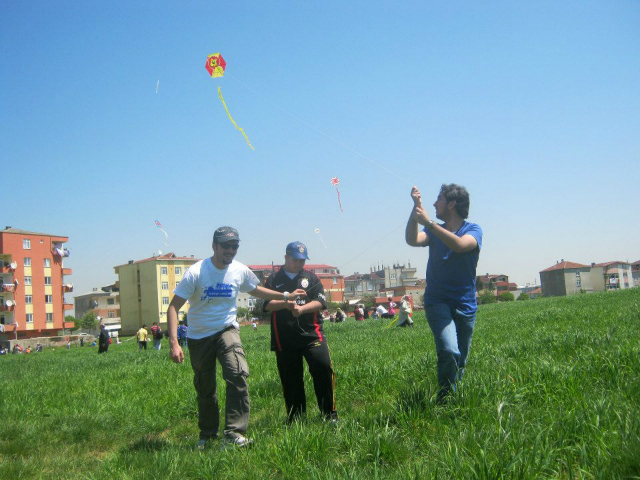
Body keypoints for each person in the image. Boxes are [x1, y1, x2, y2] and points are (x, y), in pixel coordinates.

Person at [167, 226, 307, 450]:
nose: (231, 250)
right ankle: (207, 435)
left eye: (235, 246)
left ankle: (234, 434)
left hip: (226, 329)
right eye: (226, 245)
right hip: (199, 335)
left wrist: (285, 295)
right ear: (214, 246)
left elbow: (256, 290)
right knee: (206, 388)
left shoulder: (239, 270)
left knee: (237, 375)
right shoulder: (196, 272)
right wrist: (174, 343)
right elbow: (173, 308)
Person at [406, 184, 482, 403]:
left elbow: (459, 245)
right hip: (437, 301)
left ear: (452, 203)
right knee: (449, 350)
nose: (434, 203)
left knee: (461, 359)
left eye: (438, 198)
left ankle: (453, 402)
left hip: (466, 304)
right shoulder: (432, 230)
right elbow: (412, 240)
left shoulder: (474, 230)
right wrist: (415, 210)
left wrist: (428, 222)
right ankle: (444, 399)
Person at [263, 241, 337, 424]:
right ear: (286, 257)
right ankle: (296, 419)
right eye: (296, 259)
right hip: (284, 337)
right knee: (291, 379)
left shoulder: (311, 278)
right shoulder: (273, 280)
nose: (299, 263)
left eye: (302, 260)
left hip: (312, 334)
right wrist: (287, 304)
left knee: (322, 368)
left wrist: (302, 310)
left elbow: (321, 301)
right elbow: (266, 305)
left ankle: (329, 415)